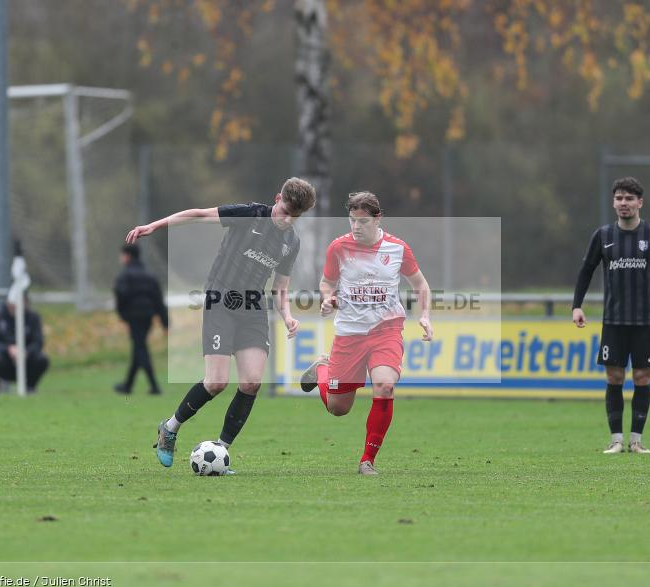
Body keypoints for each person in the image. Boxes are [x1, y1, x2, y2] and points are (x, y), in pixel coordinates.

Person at [125, 177, 316, 471]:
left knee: (252, 381)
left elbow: (280, 285)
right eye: (285, 210)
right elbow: (199, 214)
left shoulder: (291, 241)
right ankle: (170, 428)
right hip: (221, 299)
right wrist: (156, 225)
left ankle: (220, 453)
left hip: (252, 308)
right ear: (277, 198)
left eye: (295, 216)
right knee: (216, 382)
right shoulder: (248, 214)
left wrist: (287, 315)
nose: (287, 219)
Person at [300, 191, 433, 475]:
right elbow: (326, 282)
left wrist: (424, 316)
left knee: (385, 386)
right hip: (350, 333)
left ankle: (367, 460)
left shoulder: (397, 249)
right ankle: (322, 368)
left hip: (386, 329)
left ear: (377, 219)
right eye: (352, 221)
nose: (356, 227)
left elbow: (421, 285)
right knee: (338, 408)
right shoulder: (338, 248)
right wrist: (328, 298)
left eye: (362, 221)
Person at [572, 176, 650, 454]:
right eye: (619, 198)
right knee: (614, 378)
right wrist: (577, 305)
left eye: (629, 198)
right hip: (614, 321)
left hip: (646, 321)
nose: (624, 203)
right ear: (613, 202)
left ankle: (636, 440)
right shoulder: (603, 236)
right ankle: (616, 440)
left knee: (642, 378)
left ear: (640, 203)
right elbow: (586, 271)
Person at [113, 243, 169, 395]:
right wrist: (165, 322)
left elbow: (120, 296)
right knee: (138, 347)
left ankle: (154, 386)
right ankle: (128, 385)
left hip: (134, 317)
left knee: (140, 348)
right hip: (148, 318)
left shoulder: (125, 276)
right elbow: (158, 299)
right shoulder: (150, 276)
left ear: (127, 256)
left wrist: (123, 316)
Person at [0, 297, 50, 392]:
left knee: (42, 359)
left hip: (27, 360)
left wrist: (26, 351)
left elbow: (38, 341)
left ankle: (30, 387)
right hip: (5, 360)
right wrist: (8, 349)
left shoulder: (33, 318)